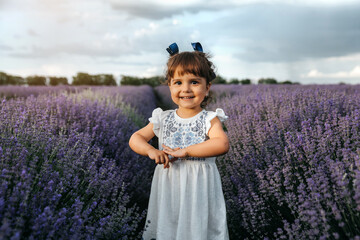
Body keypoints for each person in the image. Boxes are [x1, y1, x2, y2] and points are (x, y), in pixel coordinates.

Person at [129, 42, 230, 240]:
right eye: (178, 83)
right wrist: (151, 151)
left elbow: (221, 144)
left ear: (207, 87)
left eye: (194, 82)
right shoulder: (163, 118)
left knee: (197, 229)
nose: (186, 89)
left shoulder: (210, 118)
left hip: (198, 189)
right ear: (169, 86)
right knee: (170, 226)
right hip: (169, 186)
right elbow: (136, 138)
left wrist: (187, 151)